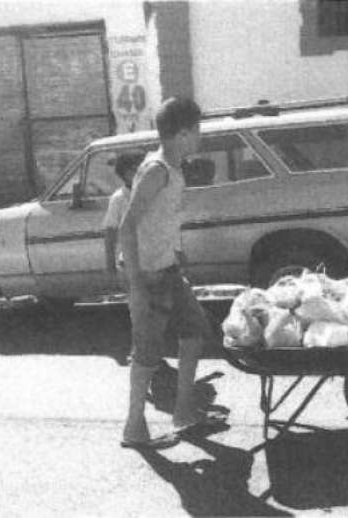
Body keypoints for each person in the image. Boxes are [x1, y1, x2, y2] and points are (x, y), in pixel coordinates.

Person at [118, 97, 227, 449]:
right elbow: (127, 226)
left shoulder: (173, 169)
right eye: (196, 130)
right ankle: (134, 428)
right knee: (147, 352)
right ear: (182, 133)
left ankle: (183, 412)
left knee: (196, 329)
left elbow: (162, 221)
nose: (199, 137)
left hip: (167, 269)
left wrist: (178, 256)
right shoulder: (157, 170)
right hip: (148, 275)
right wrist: (135, 285)